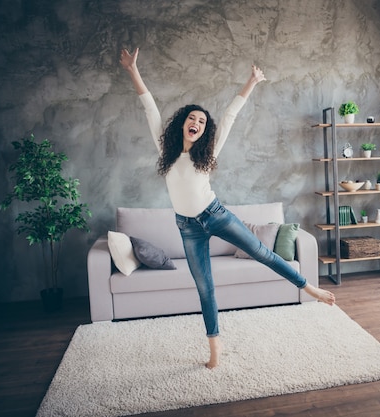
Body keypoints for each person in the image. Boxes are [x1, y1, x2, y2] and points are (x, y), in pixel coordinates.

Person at [120, 48, 336, 369]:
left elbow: (232, 114)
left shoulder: (207, 153)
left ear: (206, 131)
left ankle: (309, 288)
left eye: (202, 121)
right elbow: (150, 108)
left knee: (263, 253)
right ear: (182, 124)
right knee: (205, 288)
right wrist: (133, 70)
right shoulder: (166, 149)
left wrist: (251, 81)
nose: (197, 122)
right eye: (192, 118)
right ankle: (214, 346)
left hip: (216, 215)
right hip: (187, 227)